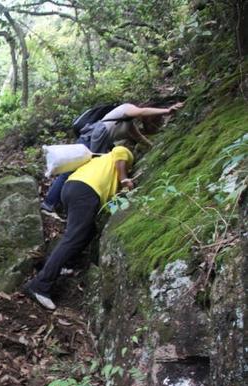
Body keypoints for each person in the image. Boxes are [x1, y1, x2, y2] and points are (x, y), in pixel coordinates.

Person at [22, 146, 135, 310]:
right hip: (86, 190)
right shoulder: (121, 153)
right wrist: (125, 180)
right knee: (73, 238)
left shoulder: (102, 165)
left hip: (72, 188)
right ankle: (39, 286)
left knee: (87, 232)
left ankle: (65, 263)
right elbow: (120, 153)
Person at [40, 102, 183, 214]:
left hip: (98, 140)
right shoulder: (126, 108)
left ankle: (62, 205)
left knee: (81, 172)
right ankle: (49, 203)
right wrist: (167, 111)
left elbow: (140, 138)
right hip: (93, 137)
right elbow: (141, 111)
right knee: (71, 171)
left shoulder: (128, 123)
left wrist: (156, 147)